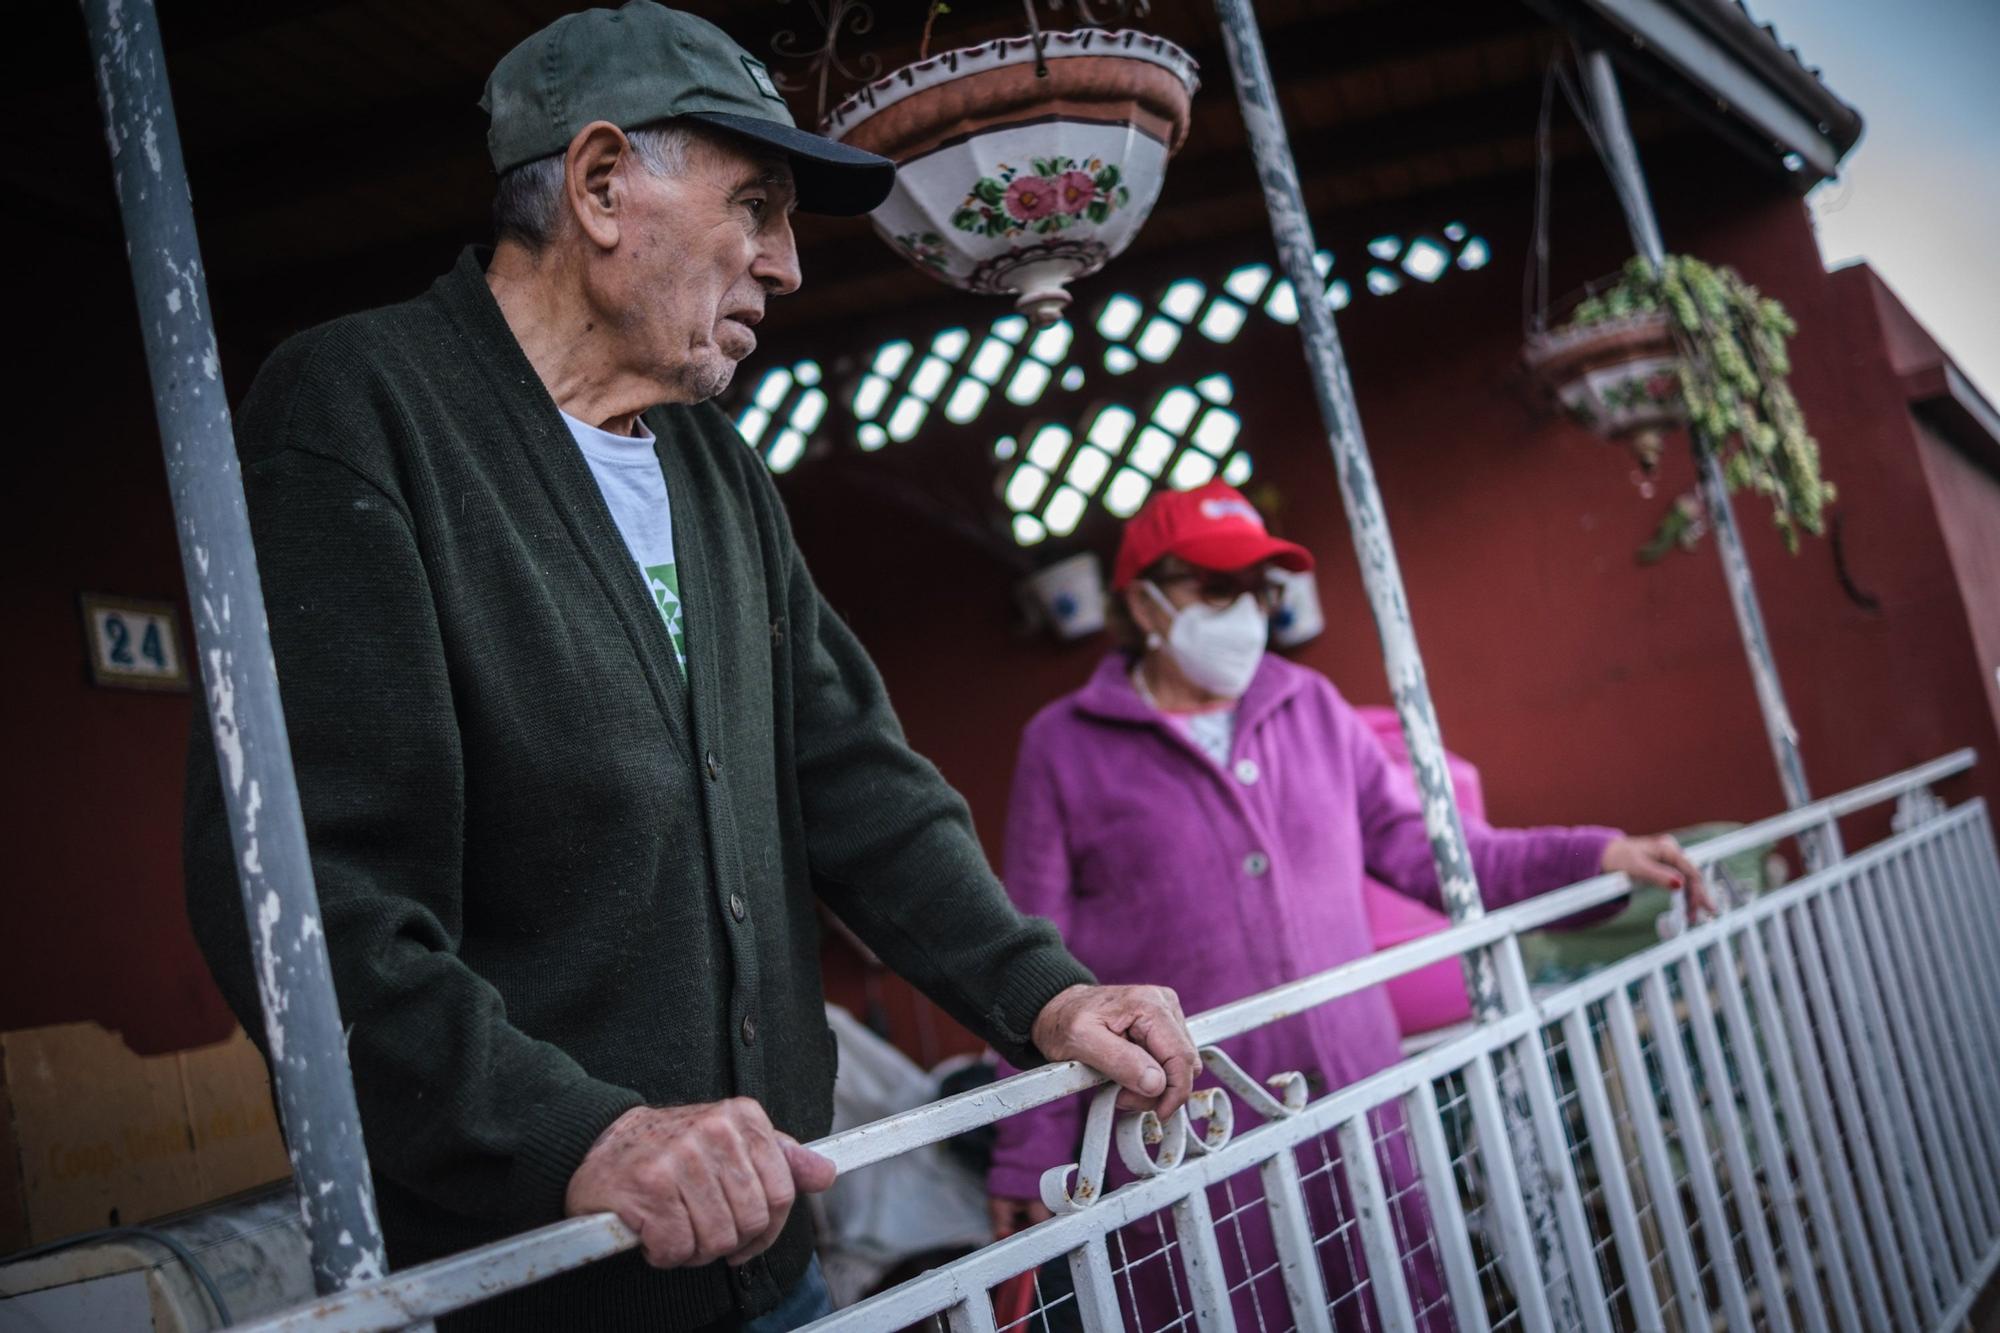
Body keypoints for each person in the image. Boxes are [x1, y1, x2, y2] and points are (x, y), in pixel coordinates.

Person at [181, 6, 1198, 1330]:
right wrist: (579, 1136)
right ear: (605, 186)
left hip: (771, 1257)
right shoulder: (361, 409)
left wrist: (1048, 994)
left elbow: (856, 782)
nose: (784, 266)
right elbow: (310, 900)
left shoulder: (714, 466)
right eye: (758, 207)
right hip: (543, 1288)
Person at [986, 479, 1709, 1328]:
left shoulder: (1312, 706)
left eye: (1258, 592)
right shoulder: (1064, 746)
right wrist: (1024, 1154)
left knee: (1392, 1299)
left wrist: (1594, 855)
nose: (1244, 614)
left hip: (1353, 1106)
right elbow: (1031, 959)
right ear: (1143, 603)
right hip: (1183, 1133)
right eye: (1216, 590)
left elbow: (1434, 850)